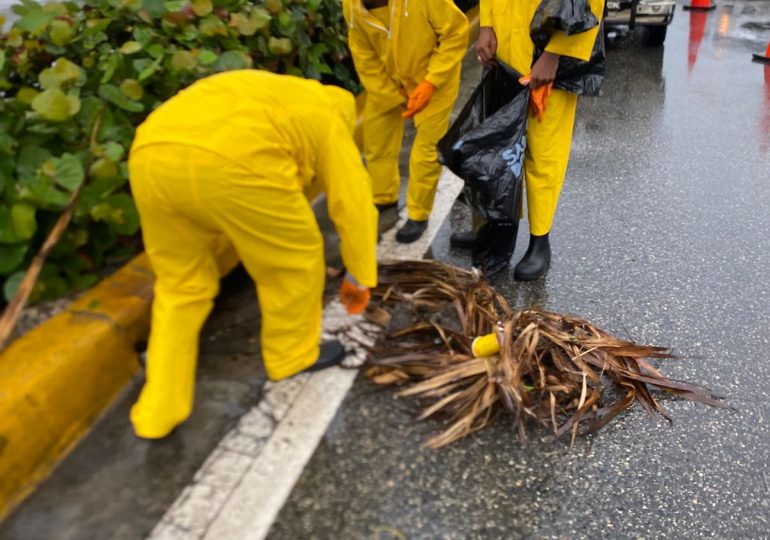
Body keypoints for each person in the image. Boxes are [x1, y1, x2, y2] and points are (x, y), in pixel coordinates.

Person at [127, 70, 378, 439]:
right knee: (295, 260)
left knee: (180, 286)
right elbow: (353, 206)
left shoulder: (270, 92)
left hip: (150, 154)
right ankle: (292, 355)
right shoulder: (330, 120)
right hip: (231, 162)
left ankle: (158, 409)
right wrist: (359, 274)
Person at [452, 0, 604, 280]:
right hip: (505, 47)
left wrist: (555, 53)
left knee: (543, 152)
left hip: (549, 55)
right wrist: (487, 23)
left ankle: (540, 241)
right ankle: (491, 228)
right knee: (497, 144)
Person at [344, 0, 469, 243]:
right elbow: (363, 54)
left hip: (435, 82)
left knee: (426, 152)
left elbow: (456, 32)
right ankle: (383, 198)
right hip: (388, 82)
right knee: (377, 140)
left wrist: (430, 82)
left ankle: (418, 214)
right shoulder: (352, 7)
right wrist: (390, 93)